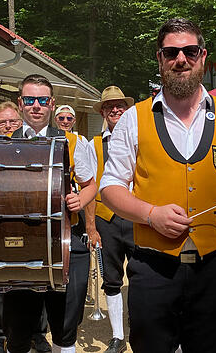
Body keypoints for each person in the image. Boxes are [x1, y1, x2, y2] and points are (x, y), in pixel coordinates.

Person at [100, 18, 216, 352]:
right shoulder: (134, 119)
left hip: (213, 269)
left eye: (190, 51)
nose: (181, 59)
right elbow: (111, 187)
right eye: (171, 52)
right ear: (160, 59)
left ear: (202, 57)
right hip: (153, 266)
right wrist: (150, 214)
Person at [4, 74, 96, 353]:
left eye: (42, 100)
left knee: (65, 327)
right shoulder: (2, 144)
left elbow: (91, 184)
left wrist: (79, 199)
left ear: (51, 104)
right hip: (21, 247)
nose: (36, 106)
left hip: (65, 243)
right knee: (18, 332)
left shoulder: (72, 142)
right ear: (20, 103)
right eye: (30, 100)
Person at [0, 101, 51, 353]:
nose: (9, 126)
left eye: (13, 121)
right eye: (3, 122)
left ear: (20, 123)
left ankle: (39, 333)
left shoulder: (31, 147)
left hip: (30, 219)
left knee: (37, 276)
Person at [85, 85, 135, 353]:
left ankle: (139, 328)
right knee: (112, 278)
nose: (115, 109)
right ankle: (117, 336)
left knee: (141, 276)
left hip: (138, 217)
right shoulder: (93, 145)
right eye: (109, 106)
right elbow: (90, 187)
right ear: (103, 112)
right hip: (108, 219)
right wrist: (91, 226)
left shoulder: (140, 137)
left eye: (120, 105)